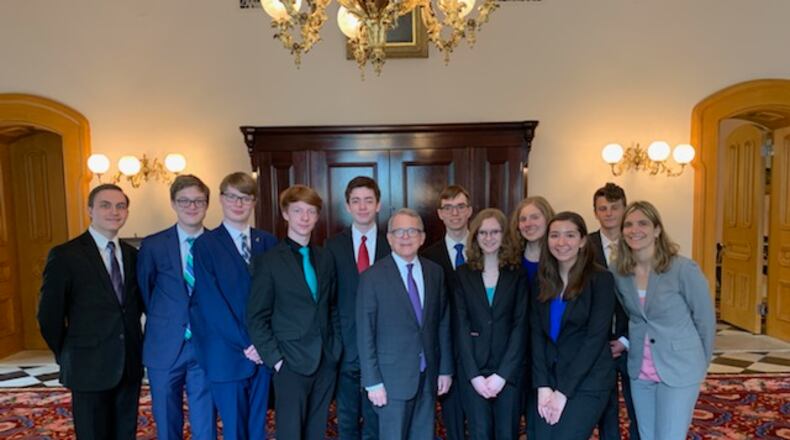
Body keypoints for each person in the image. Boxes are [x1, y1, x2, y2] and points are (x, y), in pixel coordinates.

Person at [38, 183, 143, 439]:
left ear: (127, 212)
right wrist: (66, 353)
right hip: (87, 364)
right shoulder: (65, 255)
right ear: (90, 210)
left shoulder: (133, 255)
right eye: (105, 205)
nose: (114, 212)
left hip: (129, 362)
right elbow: (48, 315)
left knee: (125, 433)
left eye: (121, 206)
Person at [611, 201, 716, 440]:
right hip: (640, 369)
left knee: (670, 436)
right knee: (647, 435)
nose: (634, 229)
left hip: (680, 365)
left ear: (657, 230)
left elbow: (705, 321)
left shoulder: (682, 269)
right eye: (628, 224)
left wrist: (701, 364)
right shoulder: (619, 271)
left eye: (642, 223)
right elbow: (629, 315)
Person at [247, 184, 342, 440]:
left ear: (317, 216)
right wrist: (276, 360)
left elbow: (331, 306)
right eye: (298, 210)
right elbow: (257, 317)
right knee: (290, 433)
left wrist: (334, 349)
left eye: (311, 212)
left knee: (316, 431)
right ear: (286, 214)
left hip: (325, 360)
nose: (305, 217)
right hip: (289, 362)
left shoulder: (325, 258)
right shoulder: (268, 262)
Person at [189, 172, 277, 440]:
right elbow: (210, 303)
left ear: (253, 203)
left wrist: (262, 345)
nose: (238, 204)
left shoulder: (268, 242)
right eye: (232, 197)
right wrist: (247, 344)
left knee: (257, 426)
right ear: (221, 200)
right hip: (226, 353)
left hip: (262, 355)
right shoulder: (206, 244)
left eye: (246, 198)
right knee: (234, 429)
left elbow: (277, 298)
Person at [357, 208, 453, 440]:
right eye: (399, 231)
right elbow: (364, 332)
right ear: (389, 238)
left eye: (412, 231)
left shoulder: (435, 273)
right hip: (390, 381)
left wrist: (445, 369)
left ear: (422, 237)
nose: (405, 237)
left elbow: (442, 323)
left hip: (427, 376)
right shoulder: (372, 277)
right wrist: (372, 381)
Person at [137, 175, 217, 440]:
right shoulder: (153, 245)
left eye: (198, 201)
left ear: (207, 204)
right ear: (173, 203)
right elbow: (145, 291)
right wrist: (169, 319)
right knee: (166, 418)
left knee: (205, 418)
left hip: (206, 344)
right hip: (165, 344)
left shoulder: (219, 244)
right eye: (184, 201)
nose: (191, 206)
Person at [530, 211, 615, 439]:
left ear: (582, 241)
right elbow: (536, 336)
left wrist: (563, 392)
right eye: (554, 235)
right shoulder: (542, 280)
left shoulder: (601, 279)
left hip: (587, 379)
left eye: (569, 235)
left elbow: (595, 339)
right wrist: (543, 386)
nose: (561, 242)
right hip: (549, 376)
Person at [325, 176, 391, 439]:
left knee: (378, 424)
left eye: (368, 200)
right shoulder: (332, 246)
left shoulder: (393, 244)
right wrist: (336, 345)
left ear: (378, 205)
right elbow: (329, 300)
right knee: (347, 424)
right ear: (347, 206)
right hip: (346, 351)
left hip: (383, 351)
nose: (362, 207)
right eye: (356, 201)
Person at [453, 209, 528, 439]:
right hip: (473, 369)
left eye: (495, 231)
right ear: (475, 236)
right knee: (479, 433)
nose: (488, 237)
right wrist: (474, 375)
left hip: (508, 370)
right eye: (483, 232)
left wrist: (502, 375)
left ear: (504, 235)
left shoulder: (518, 274)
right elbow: (460, 326)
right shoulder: (462, 274)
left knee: (507, 433)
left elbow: (520, 325)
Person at [588, 182, 639, 440]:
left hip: (633, 341)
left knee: (637, 407)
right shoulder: (584, 246)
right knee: (606, 410)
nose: (609, 213)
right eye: (602, 208)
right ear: (595, 212)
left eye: (614, 208)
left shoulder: (638, 244)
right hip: (599, 345)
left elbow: (646, 301)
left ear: (624, 209)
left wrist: (625, 339)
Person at [421, 185, 472, 440]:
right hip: (446, 351)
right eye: (448, 208)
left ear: (470, 211)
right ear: (440, 214)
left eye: (460, 206)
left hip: (481, 349)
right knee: (452, 423)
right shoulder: (426, 257)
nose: (455, 213)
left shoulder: (486, 248)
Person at [509, 195, 554, 438]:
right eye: (522, 219)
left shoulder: (560, 255)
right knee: (516, 411)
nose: (528, 223)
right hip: (517, 347)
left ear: (548, 218)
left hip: (548, 348)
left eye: (534, 217)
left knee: (543, 417)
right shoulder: (512, 257)